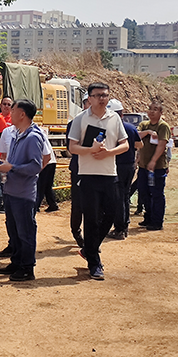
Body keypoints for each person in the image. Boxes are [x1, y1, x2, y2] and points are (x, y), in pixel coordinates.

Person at [69, 82, 128, 280]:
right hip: (88, 175)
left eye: (105, 95)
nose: (102, 99)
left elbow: (125, 144)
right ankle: (94, 263)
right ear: (90, 98)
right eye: (98, 95)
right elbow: (72, 147)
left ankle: (88, 249)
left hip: (110, 174)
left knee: (110, 215)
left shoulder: (114, 118)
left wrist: (109, 152)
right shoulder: (80, 119)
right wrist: (91, 150)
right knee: (91, 219)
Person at [0, 99, 44, 281]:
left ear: (22, 114)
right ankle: (16, 261)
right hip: (11, 190)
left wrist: (12, 167)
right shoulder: (17, 134)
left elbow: (35, 166)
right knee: (14, 230)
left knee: (25, 231)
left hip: (23, 193)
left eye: (14, 109)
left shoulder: (33, 137)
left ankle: (27, 267)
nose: (10, 112)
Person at [106, 99, 142, 240]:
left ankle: (120, 229)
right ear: (122, 114)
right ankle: (124, 225)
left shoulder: (111, 128)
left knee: (118, 197)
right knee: (125, 196)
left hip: (117, 166)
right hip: (129, 166)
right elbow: (140, 144)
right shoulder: (131, 128)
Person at [136, 100, 171, 231]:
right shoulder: (144, 124)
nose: (151, 111)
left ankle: (157, 221)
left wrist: (153, 161)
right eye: (150, 109)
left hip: (157, 167)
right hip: (143, 166)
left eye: (155, 109)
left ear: (161, 112)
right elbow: (136, 136)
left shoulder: (163, 126)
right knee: (143, 191)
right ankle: (148, 217)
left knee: (156, 194)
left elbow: (162, 145)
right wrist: (148, 132)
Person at [65, 92, 90, 248]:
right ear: (84, 104)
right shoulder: (74, 123)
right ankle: (76, 231)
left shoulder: (104, 122)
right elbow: (71, 148)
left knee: (95, 205)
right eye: (88, 102)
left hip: (97, 169)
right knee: (78, 204)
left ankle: (91, 238)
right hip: (79, 169)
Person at [36, 131, 59, 213]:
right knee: (47, 186)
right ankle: (52, 204)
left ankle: (36, 206)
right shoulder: (41, 133)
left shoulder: (34, 135)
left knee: (40, 185)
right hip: (52, 161)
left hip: (45, 162)